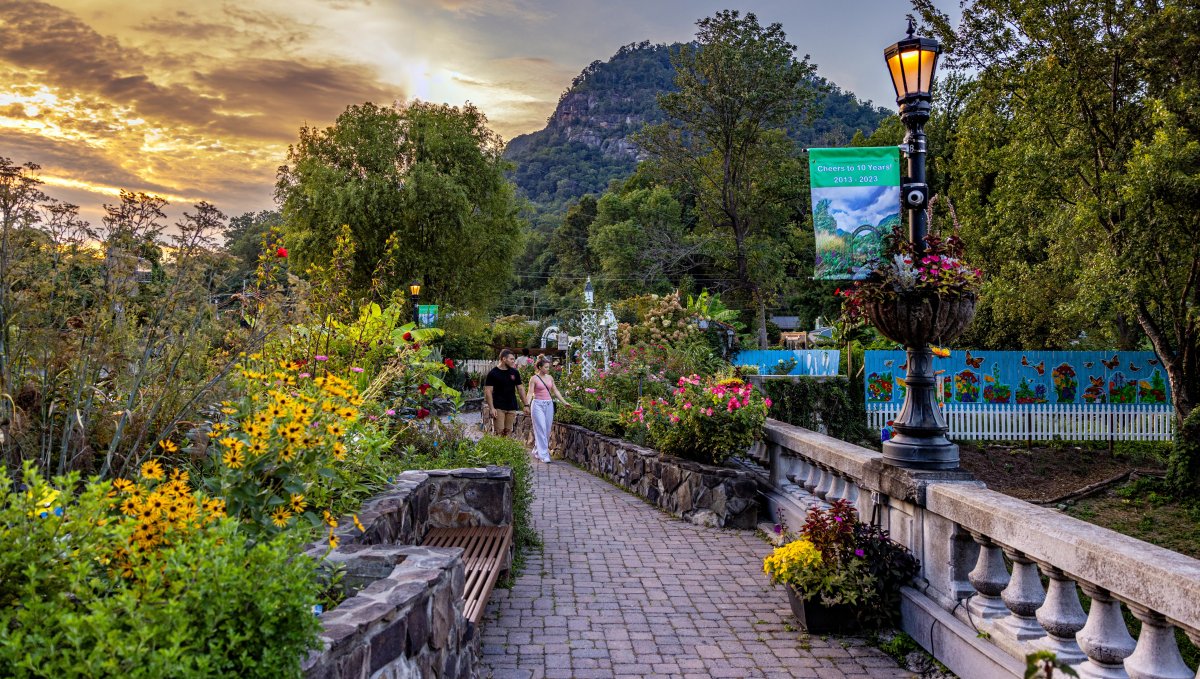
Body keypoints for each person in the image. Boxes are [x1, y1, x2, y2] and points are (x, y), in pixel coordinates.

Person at [524, 355, 571, 463]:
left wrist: (564, 402)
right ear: (539, 367)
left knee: (547, 430)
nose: (548, 369)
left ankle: (537, 450)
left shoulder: (550, 378)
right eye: (546, 367)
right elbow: (530, 392)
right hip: (537, 405)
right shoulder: (534, 378)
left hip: (549, 404)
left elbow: (556, 391)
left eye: (548, 367)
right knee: (541, 428)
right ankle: (544, 455)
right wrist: (526, 405)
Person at [484, 349, 526, 437]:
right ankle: (497, 450)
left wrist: (526, 404)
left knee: (508, 432)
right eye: (511, 359)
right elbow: (488, 391)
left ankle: (505, 450)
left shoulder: (515, 372)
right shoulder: (493, 373)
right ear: (504, 359)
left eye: (513, 359)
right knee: (499, 432)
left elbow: (520, 389)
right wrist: (491, 408)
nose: (513, 361)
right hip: (498, 407)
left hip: (511, 406)